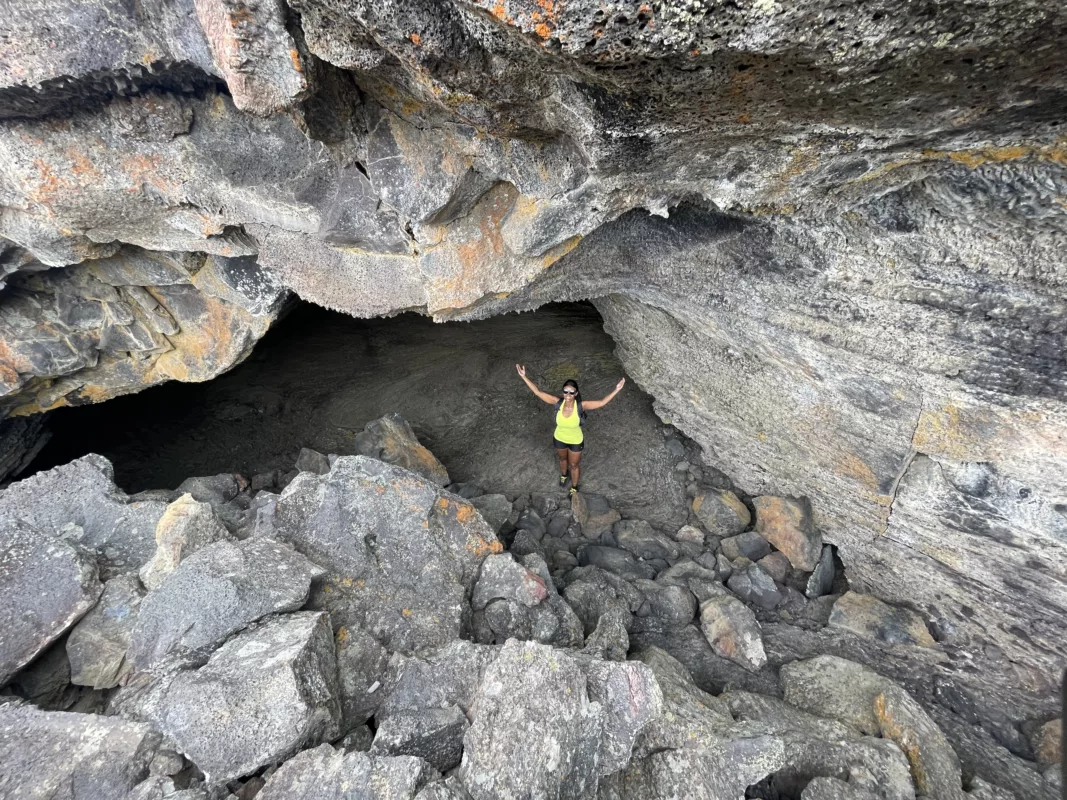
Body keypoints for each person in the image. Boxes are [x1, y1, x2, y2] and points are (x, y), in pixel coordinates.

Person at [515, 365, 626, 496]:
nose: (568, 394)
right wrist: (524, 376)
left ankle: (574, 486)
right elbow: (538, 392)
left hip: (575, 440)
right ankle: (563, 475)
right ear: (563, 392)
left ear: (576, 394)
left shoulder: (581, 406)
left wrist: (616, 389)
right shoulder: (557, 402)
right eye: (566, 391)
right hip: (559, 438)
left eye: (571, 392)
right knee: (562, 459)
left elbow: (601, 403)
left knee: (574, 464)